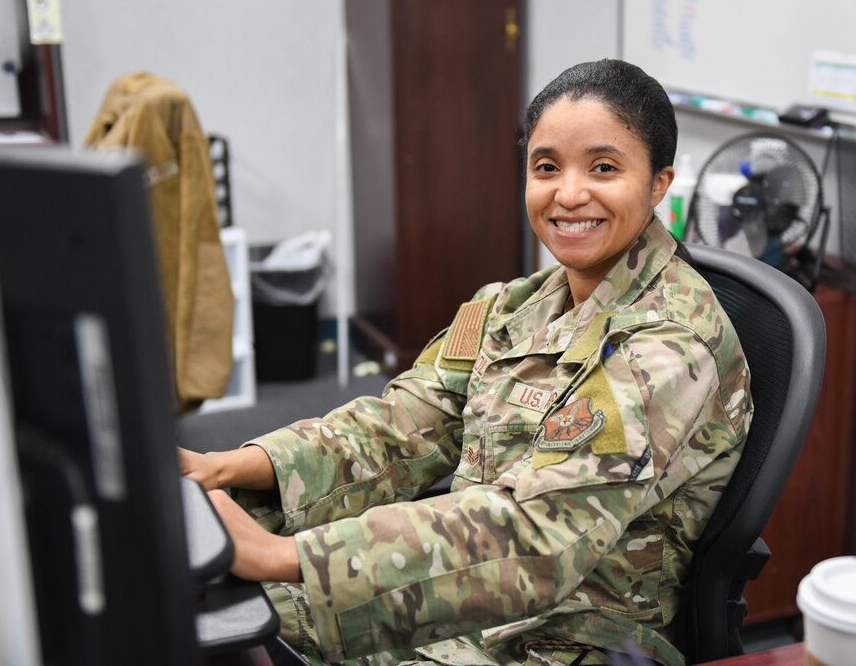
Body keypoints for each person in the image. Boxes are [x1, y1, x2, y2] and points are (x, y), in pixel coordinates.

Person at [181, 59, 752, 666]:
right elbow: (400, 427)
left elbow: (540, 537)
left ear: (659, 183)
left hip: (574, 636)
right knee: (202, 609)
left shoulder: (667, 345)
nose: (569, 193)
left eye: (604, 168)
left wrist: (282, 556)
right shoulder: (508, 306)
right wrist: (224, 467)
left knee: (239, 623)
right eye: (546, 167)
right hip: (468, 594)